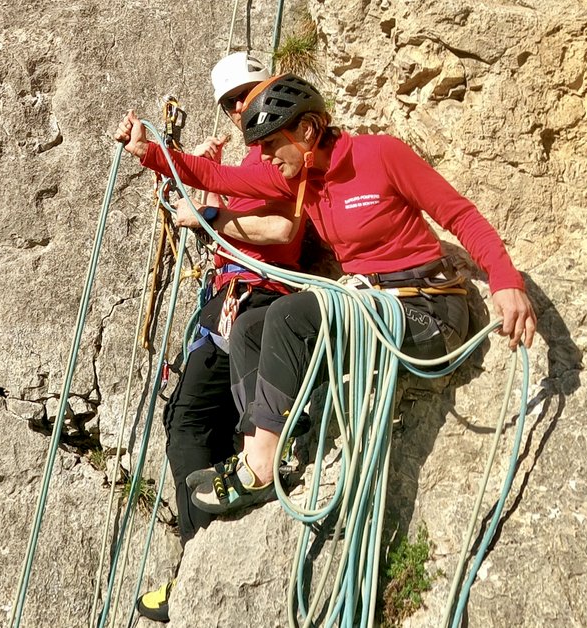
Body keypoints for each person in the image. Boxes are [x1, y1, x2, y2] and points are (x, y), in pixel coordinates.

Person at [115, 73, 537, 515]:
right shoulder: (301, 181)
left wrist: (506, 280)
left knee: (290, 316)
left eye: (270, 145)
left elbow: (460, 215)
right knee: (250, 328)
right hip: (374, 307)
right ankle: (261, 442)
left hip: (430, 310)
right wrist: (150, 153)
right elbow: (214, 175)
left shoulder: (381, 155)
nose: (263, 158)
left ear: (307, 131)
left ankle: (259, 468)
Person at [134, 54, 306, 623]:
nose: (238, 109)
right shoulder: (255, 157)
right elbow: (222, 191)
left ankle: (201, 558)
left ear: (272, 90)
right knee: (184, 420)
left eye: (246, 95)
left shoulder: (282, 154)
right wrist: (184, 176)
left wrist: (209, 216)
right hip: (230, 299)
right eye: (229, 103)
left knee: (206, 420)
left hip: (257, 298)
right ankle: (198, 553)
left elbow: (283, 229)